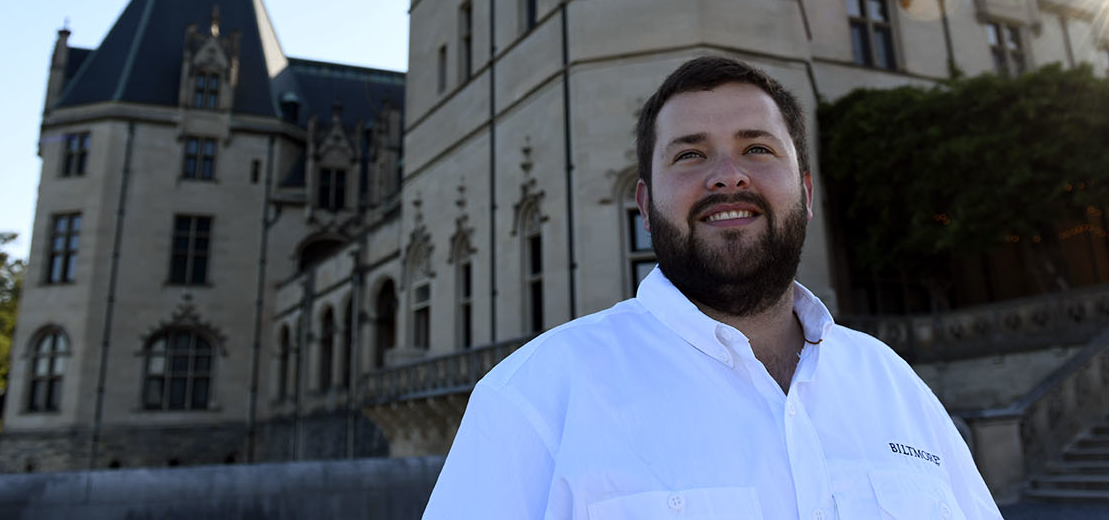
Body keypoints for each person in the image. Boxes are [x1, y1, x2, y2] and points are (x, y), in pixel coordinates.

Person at [423, 56, 1002, 518]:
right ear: (645, 205)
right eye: (690, 154)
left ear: (805, 191)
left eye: (757, 148)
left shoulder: (894, 385)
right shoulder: (533, 401)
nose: (727, 174)